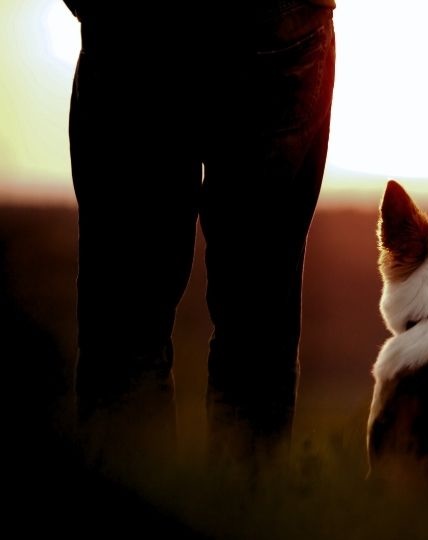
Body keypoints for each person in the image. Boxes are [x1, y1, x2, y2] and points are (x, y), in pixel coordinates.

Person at [65, 0, 336, 467]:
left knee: (125, 328)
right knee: (257, 328)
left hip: (135, 30)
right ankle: (247, 517)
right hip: (276, 28)